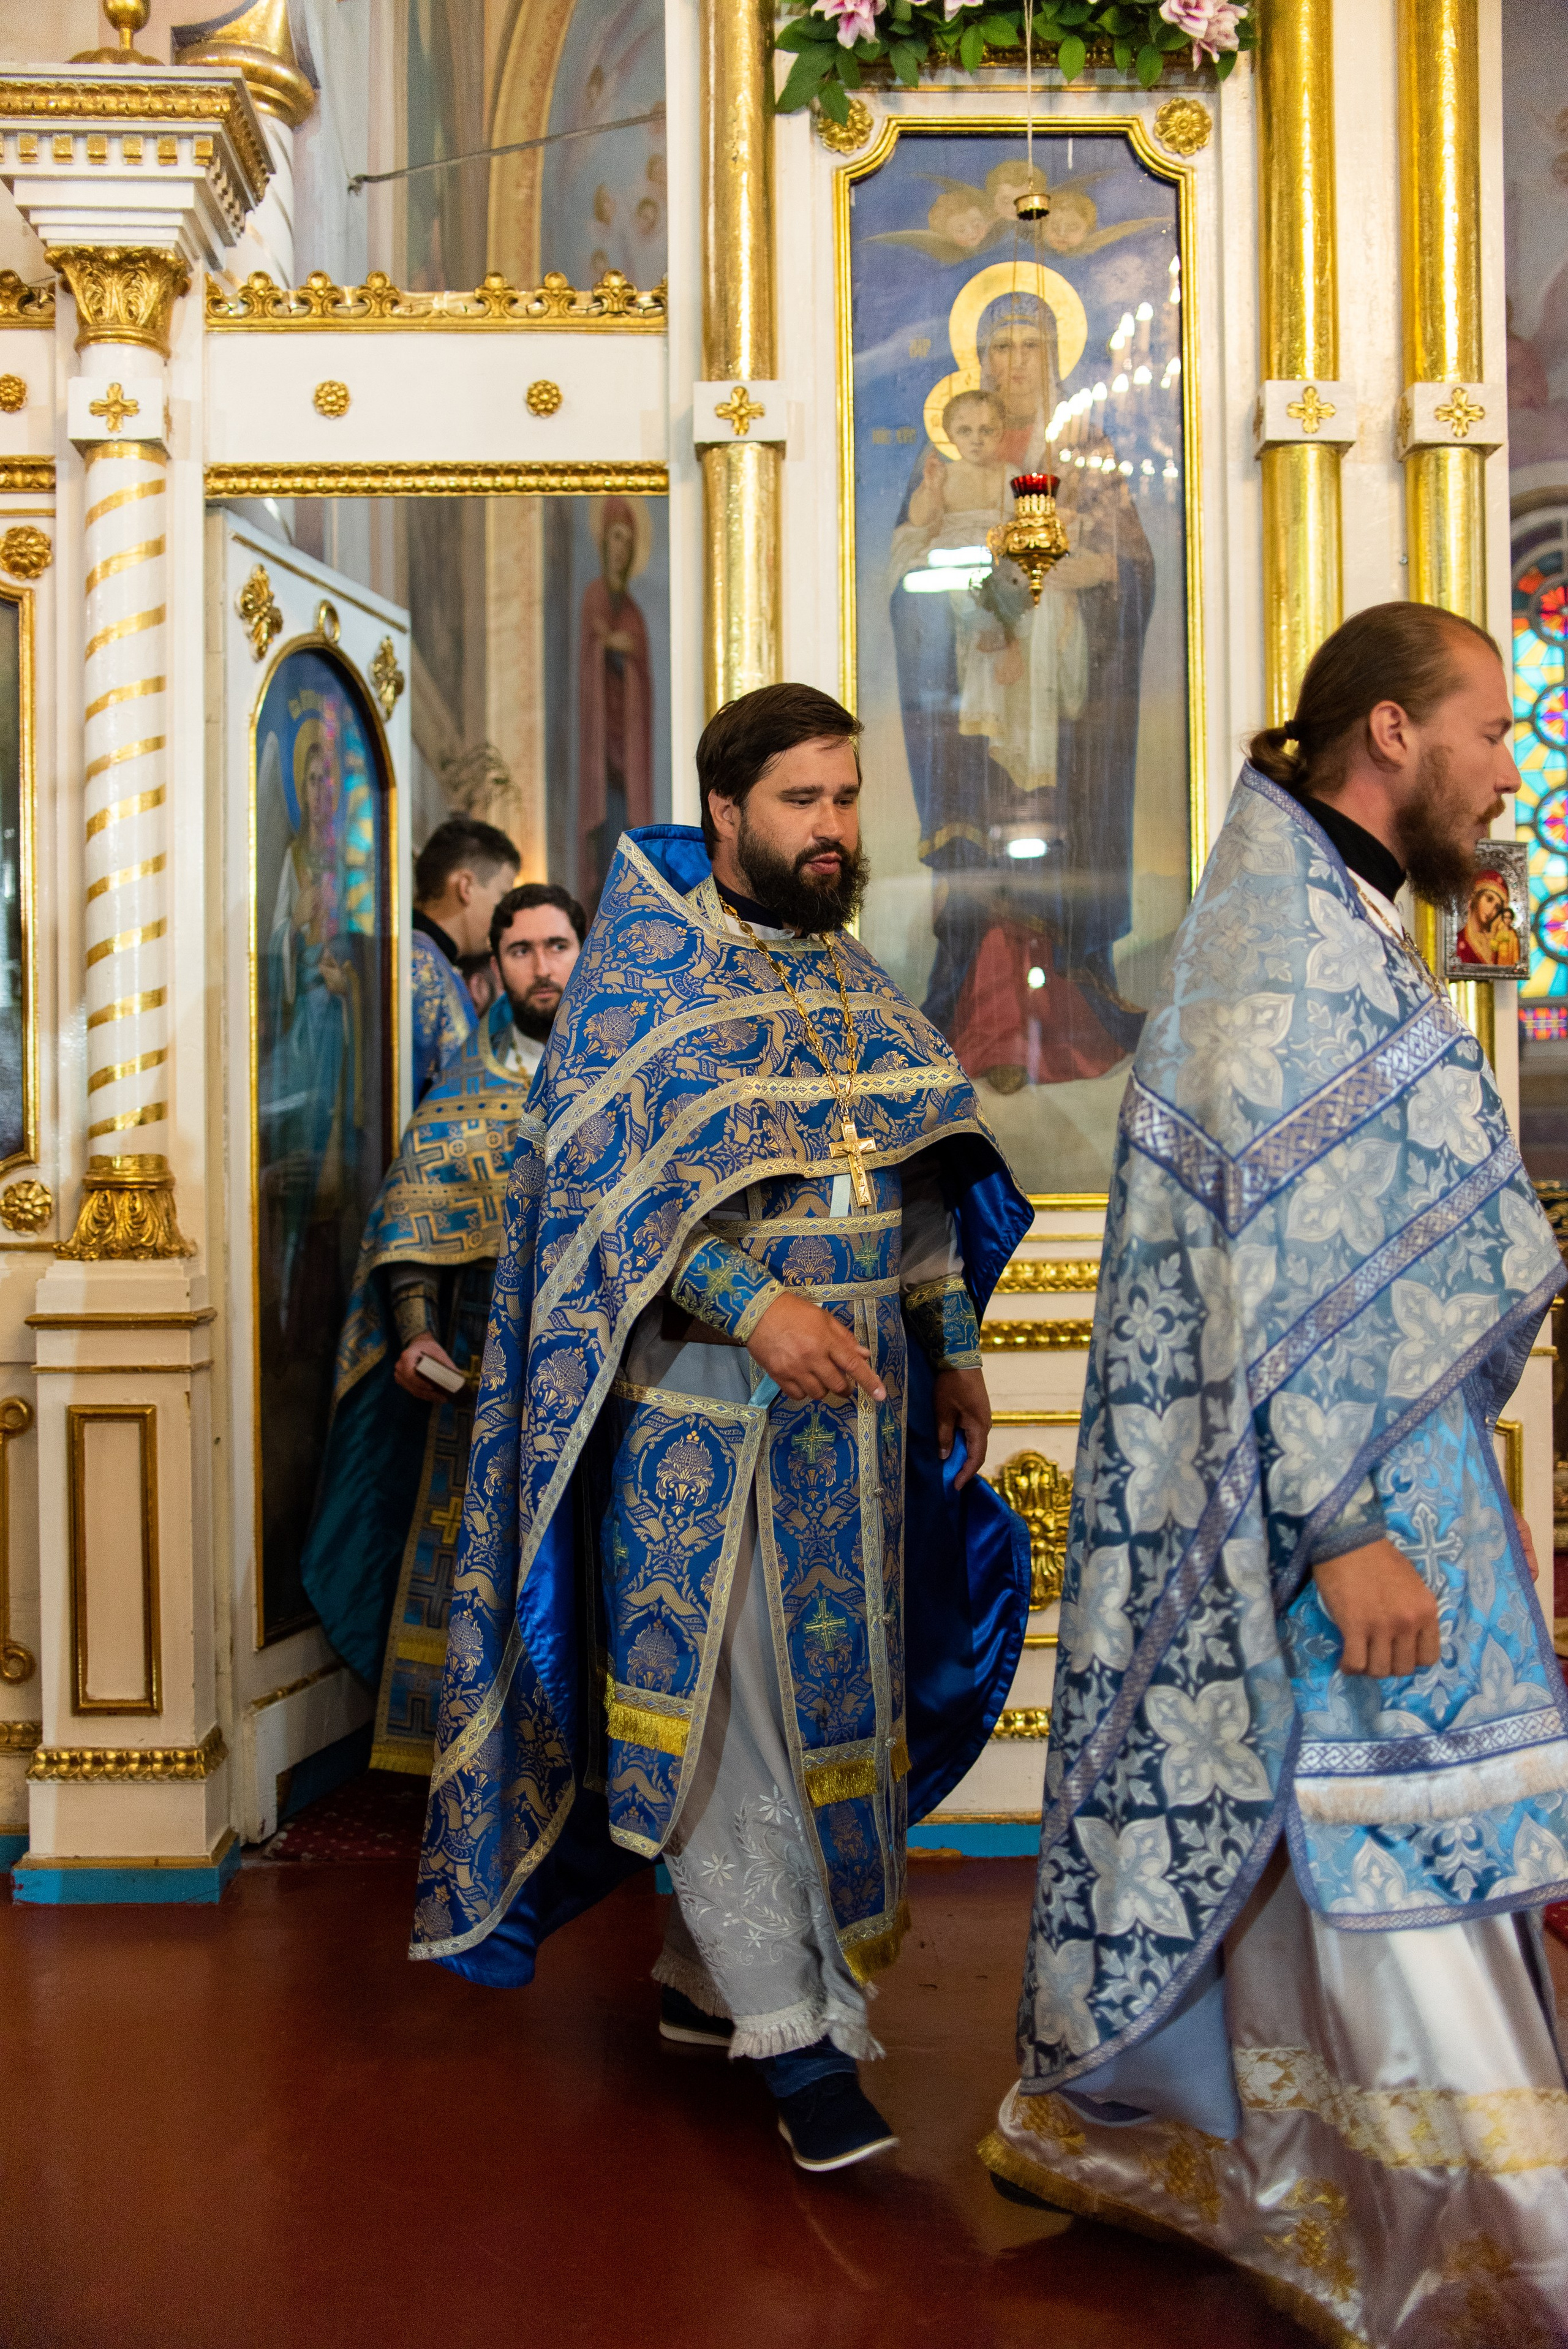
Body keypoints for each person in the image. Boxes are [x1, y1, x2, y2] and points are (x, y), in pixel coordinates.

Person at [982, 603, 1568, 2343]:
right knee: (1390, 1856)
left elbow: (1357, 1203)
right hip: (1347, 1500)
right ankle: (1504, 2253)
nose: (1502, 767)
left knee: (1314, 1852)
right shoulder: (1284, 953)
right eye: (1483, 734)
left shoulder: (1324, 914)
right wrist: (1340, 1526)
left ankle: (1281, 2175)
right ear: (1388, 736)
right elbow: (1290, 1262)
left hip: (1376, 1473)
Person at [411, 682, 1035, 2174]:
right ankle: (797, 2037)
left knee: (830, 1718)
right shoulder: (647, 987)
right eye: (802, 802)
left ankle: (706, 1979)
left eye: (845, 797)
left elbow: (917, 1179)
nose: (832, 829)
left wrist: (943, 1341)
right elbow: (598, 1203)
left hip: (858, 1428)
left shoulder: (850, 977)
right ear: (726, 815)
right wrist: (754, 1306)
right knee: (726, 1721)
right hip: (709, 1425)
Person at [300, 884, 586, 1774]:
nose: (543, 967)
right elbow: (414, 1221)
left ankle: (597, 1759)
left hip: (602, 1364)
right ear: (493, 965)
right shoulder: (464, 1089)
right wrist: (416, 1332)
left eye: (558, 945)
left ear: (586, 950)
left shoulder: (624, 1074)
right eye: (521, 950)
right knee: (478, 1557)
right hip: (486, 1363)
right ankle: (466, 1756)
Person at [889, 292, 1153, 1090]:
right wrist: (969, 600)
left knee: (1056, 839)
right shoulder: (951, 452)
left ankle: (1066, 1024)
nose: (1012, 363)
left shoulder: (1085, 444)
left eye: (1028, 346)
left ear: (1055, 357)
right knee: (984, 846)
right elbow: (910, 570)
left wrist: (1079, 579)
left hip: (1062, 701)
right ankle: (985, 1022)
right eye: (998, 347)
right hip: (974, 690)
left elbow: (1131, 570)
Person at [410, 815, 521, 1101]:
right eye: (502, 895)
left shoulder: (434, 961)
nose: (506, 918)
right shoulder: (421, 963)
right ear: (466, 887)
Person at [578, 496, 654, 906]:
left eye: (629, 540)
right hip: (599, 749)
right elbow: (590, 655)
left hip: (627, 748)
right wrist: (606, 645)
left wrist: (623, 651)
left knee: (625, 826)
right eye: (616, 538)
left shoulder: (635, 614)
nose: (622, 548)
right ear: (604, 542)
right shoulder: (593, 596)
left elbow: (641, 680)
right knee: (605, 829)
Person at [1456, 867, 1523, 965]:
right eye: (1489, 899)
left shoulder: (1500, 943)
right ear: (1476, 897)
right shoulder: (1458, 940)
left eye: (1498, 907)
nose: (1492, 910)